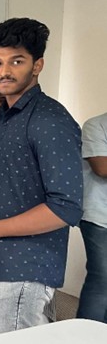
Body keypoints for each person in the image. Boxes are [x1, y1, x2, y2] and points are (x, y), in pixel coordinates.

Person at [0, 18, 83, 335]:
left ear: (37, 65)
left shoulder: (51, 121)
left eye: (17, 61)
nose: (4, 71)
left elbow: (65, 208)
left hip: (25, 269)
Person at [76, 112, 107, 323]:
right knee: (102, 279)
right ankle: (85, 336)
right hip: (99, 216)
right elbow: (101, 167)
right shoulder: (95, 125)